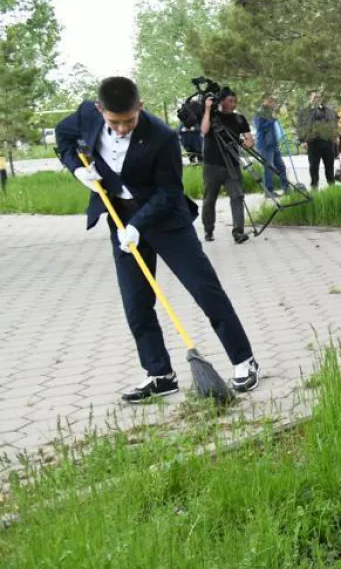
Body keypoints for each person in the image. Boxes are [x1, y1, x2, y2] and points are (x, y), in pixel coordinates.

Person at [55, 77, 260, 401]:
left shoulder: (162, 137)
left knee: (204, 289)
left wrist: (138, 225)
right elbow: (63, 137)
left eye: (129, 121)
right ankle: (159, 374)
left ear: (141, 107)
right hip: (120, 220)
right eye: (114, 122)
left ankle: (244, 360)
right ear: (99, 110)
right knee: (136, 302)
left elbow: (168, 192)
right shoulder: (86, 115)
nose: (122, 129)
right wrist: (78, 170)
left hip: (167, 221)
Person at [199, 86, 252, 243]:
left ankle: (238, 232)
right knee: (210, 199)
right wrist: (208, 109)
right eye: (230, 101)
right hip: (212, 165)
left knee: (237, 197)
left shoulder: (239, 119)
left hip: (232, 165)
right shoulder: (213, 117)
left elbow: (249, 139)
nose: (233, 104)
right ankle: (208, 230)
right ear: (222, 101)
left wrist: (248, 142)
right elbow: (204, 130)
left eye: (235, 101)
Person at [299, 91, 339, 189]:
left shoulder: (329, 111)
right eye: (314, 97)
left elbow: (334, 123)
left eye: (318, 97)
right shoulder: (305, 112)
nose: (317, 99)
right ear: (310, 99)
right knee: (313, 166)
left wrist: (336, 135)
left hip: (327, 142)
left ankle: (331, 184)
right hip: (313, 142)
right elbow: (300, 126)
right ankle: (314, 185)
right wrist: (303, 140)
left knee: (329, 165)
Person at [252, 94, 290, 195]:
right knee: (268, 168)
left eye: (274, 102)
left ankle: (286, 188)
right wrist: (272, 119)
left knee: (281, 166)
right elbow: (260, 128)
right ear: (265, 101)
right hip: (265, 145)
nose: (274, 104)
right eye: (272, 101)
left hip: (274, 144)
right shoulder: (259, 113)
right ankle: (268, 192)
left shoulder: (270, 112)